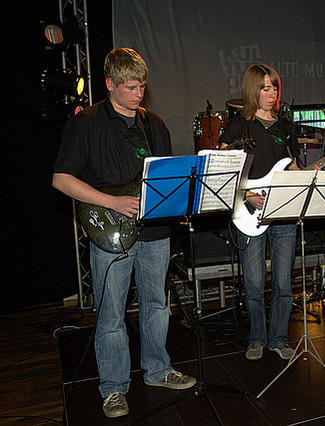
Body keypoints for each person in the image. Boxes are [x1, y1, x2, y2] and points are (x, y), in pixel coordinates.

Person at [52, 48, 196, 419]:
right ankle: (113, 389)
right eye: (130, 87)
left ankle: (158, 370)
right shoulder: (86, 123)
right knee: (112, 314)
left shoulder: (155, 124)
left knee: (156, 306)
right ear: (110, 84)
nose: (138, 94)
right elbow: (61, 179)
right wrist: (111, 201)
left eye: (142, 86)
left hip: (154, 232)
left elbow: (164, 177)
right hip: (109, 232)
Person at [219, 63, 300, 362]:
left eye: (275, 87)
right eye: (265, 88)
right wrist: (248, 195)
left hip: (283, 213)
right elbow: (224, 171)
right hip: (248, 211)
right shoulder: (238, 126)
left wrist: (303, 178)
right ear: (253, 90)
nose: (271, 93)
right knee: (253, 282)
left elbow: (291, 167)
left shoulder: (285, 126)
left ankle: (278, 338)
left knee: (283, 282)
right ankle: (256, 338)